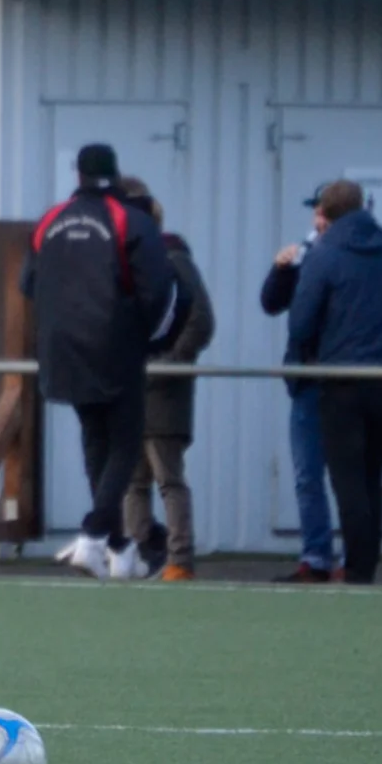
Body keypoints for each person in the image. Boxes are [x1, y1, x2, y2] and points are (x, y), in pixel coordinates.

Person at [21, 144, 179, 581]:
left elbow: (28, 282)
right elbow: (159, 290)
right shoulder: (131, 220)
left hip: (61, 348)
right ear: (115, 171)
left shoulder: (51, 220)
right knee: (125, 443)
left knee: (94, 438)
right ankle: (94, 534)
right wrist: (145, 336)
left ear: (78, 174)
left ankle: (118, 547)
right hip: (117, 345)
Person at [288, 180, 382, 585]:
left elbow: (301, 320)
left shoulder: (324, 256)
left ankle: (356, 573)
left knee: (347, 482)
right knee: (371, 478)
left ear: (326, 212)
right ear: (363, 207)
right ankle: (366, 567)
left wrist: (312, 354)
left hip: (340, 383)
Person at [118, 177, 215, 582]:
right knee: (131, 480)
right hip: (129, 390)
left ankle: (179, 559)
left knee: (167, 478)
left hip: (163, 395)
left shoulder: (173, 260)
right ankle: (140, 552)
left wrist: (168, 363)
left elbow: (201, 320)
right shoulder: (129, 264)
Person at [262, 186, 340, 582]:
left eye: (325, 213)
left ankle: (355, 558)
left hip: (347, 382)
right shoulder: (304, 255)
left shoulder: (358, 260)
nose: (318, 221)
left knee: (351, 474)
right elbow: (271, 303)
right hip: (308, 381)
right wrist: (280, 269)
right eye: (316, 213)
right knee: (307, 474)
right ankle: (317, 555)